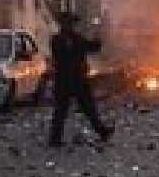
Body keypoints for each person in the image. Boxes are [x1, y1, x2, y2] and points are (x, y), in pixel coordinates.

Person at [48, 13, 113, 147]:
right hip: (65, 80)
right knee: (61, 111)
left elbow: (93, 47)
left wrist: (99, 34)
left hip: (78, 80)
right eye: (69, 23)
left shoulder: (76, 39)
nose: (72, 26)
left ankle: (102, 132)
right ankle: (54, 139)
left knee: (89, 108)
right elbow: (61, 55)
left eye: (72, 24)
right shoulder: (58, 40)